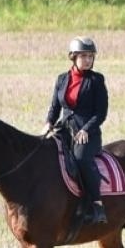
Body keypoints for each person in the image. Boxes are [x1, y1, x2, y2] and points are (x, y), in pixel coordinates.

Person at [43, 36, 109, 226]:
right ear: (73, 57)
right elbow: (55, 107)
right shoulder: (62, 79)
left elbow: (101, 113)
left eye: (91, 56)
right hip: (64, 130)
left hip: (89, 134)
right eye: (84, 56)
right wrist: (48, 122)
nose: (88, 60)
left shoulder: (96, 80)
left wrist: (86, 129)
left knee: (80, 159)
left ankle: (96, 206)